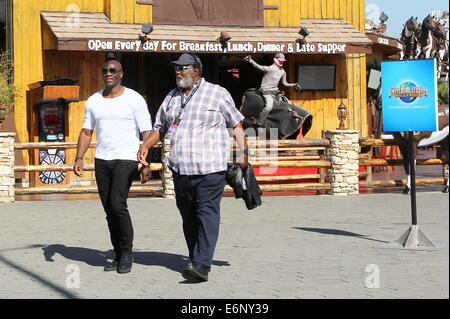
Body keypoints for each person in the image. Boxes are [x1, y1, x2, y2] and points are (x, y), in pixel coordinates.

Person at [137, 53, 248, 282]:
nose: (178, 72)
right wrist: (145, 146)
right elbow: (160, 128)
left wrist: (243, 153)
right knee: (188, 216)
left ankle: (201, 264)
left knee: (206, 213)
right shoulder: (171, 97)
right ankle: (196, 255)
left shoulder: (216, 93)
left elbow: (236, 123)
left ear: (196, 71)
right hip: (181, 170)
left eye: (183, 68)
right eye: (176, 69)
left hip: (210, 169)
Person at [73, 56, 152, 274]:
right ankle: (117, 254)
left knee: (117, 204)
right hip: (102, 159)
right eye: (105, 70)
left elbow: (148, 133)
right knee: (109, 208)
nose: (108, 73)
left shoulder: (134, 99)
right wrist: (79, 157)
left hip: (126, 158)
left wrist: (146, 162)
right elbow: (87, 132)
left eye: (112, 70)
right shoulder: (93, 101)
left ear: (121, 74)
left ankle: (126, 252)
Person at [244, 52, 301, 126]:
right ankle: (259, 122)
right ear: (275, 60)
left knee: (288, 104)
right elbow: (259, 67)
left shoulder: (283, 71)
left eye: (283, 61)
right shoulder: (270, 69)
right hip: (266, 92)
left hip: (276, 92)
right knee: (268, 107)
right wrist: (250, 60)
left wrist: (293, 85)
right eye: (280, 60)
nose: (282, 62)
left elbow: (285, 83)